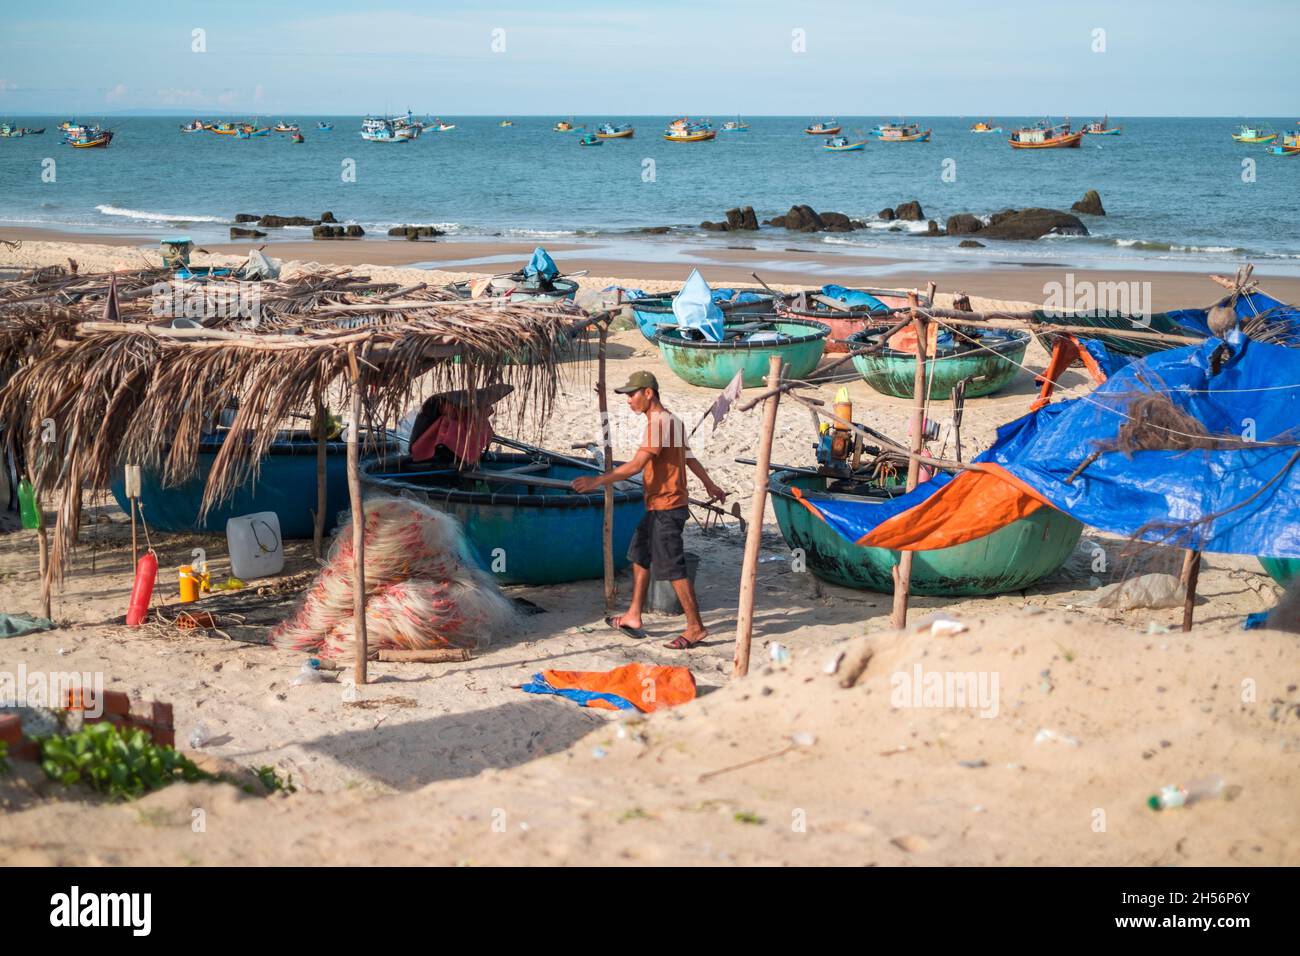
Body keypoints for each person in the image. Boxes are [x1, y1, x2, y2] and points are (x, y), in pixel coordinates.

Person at [571, 371, 726, 649]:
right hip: (657, 505)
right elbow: (689, 458)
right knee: (639, 555)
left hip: (667, 506)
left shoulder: (659, 423)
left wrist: (597, 481)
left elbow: (635, 466)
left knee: (673, 568)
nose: (628, 400)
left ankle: (695, 627)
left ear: (649, 393)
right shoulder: (673, 420)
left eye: (632, 394)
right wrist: (710, 485)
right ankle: (633, 615)